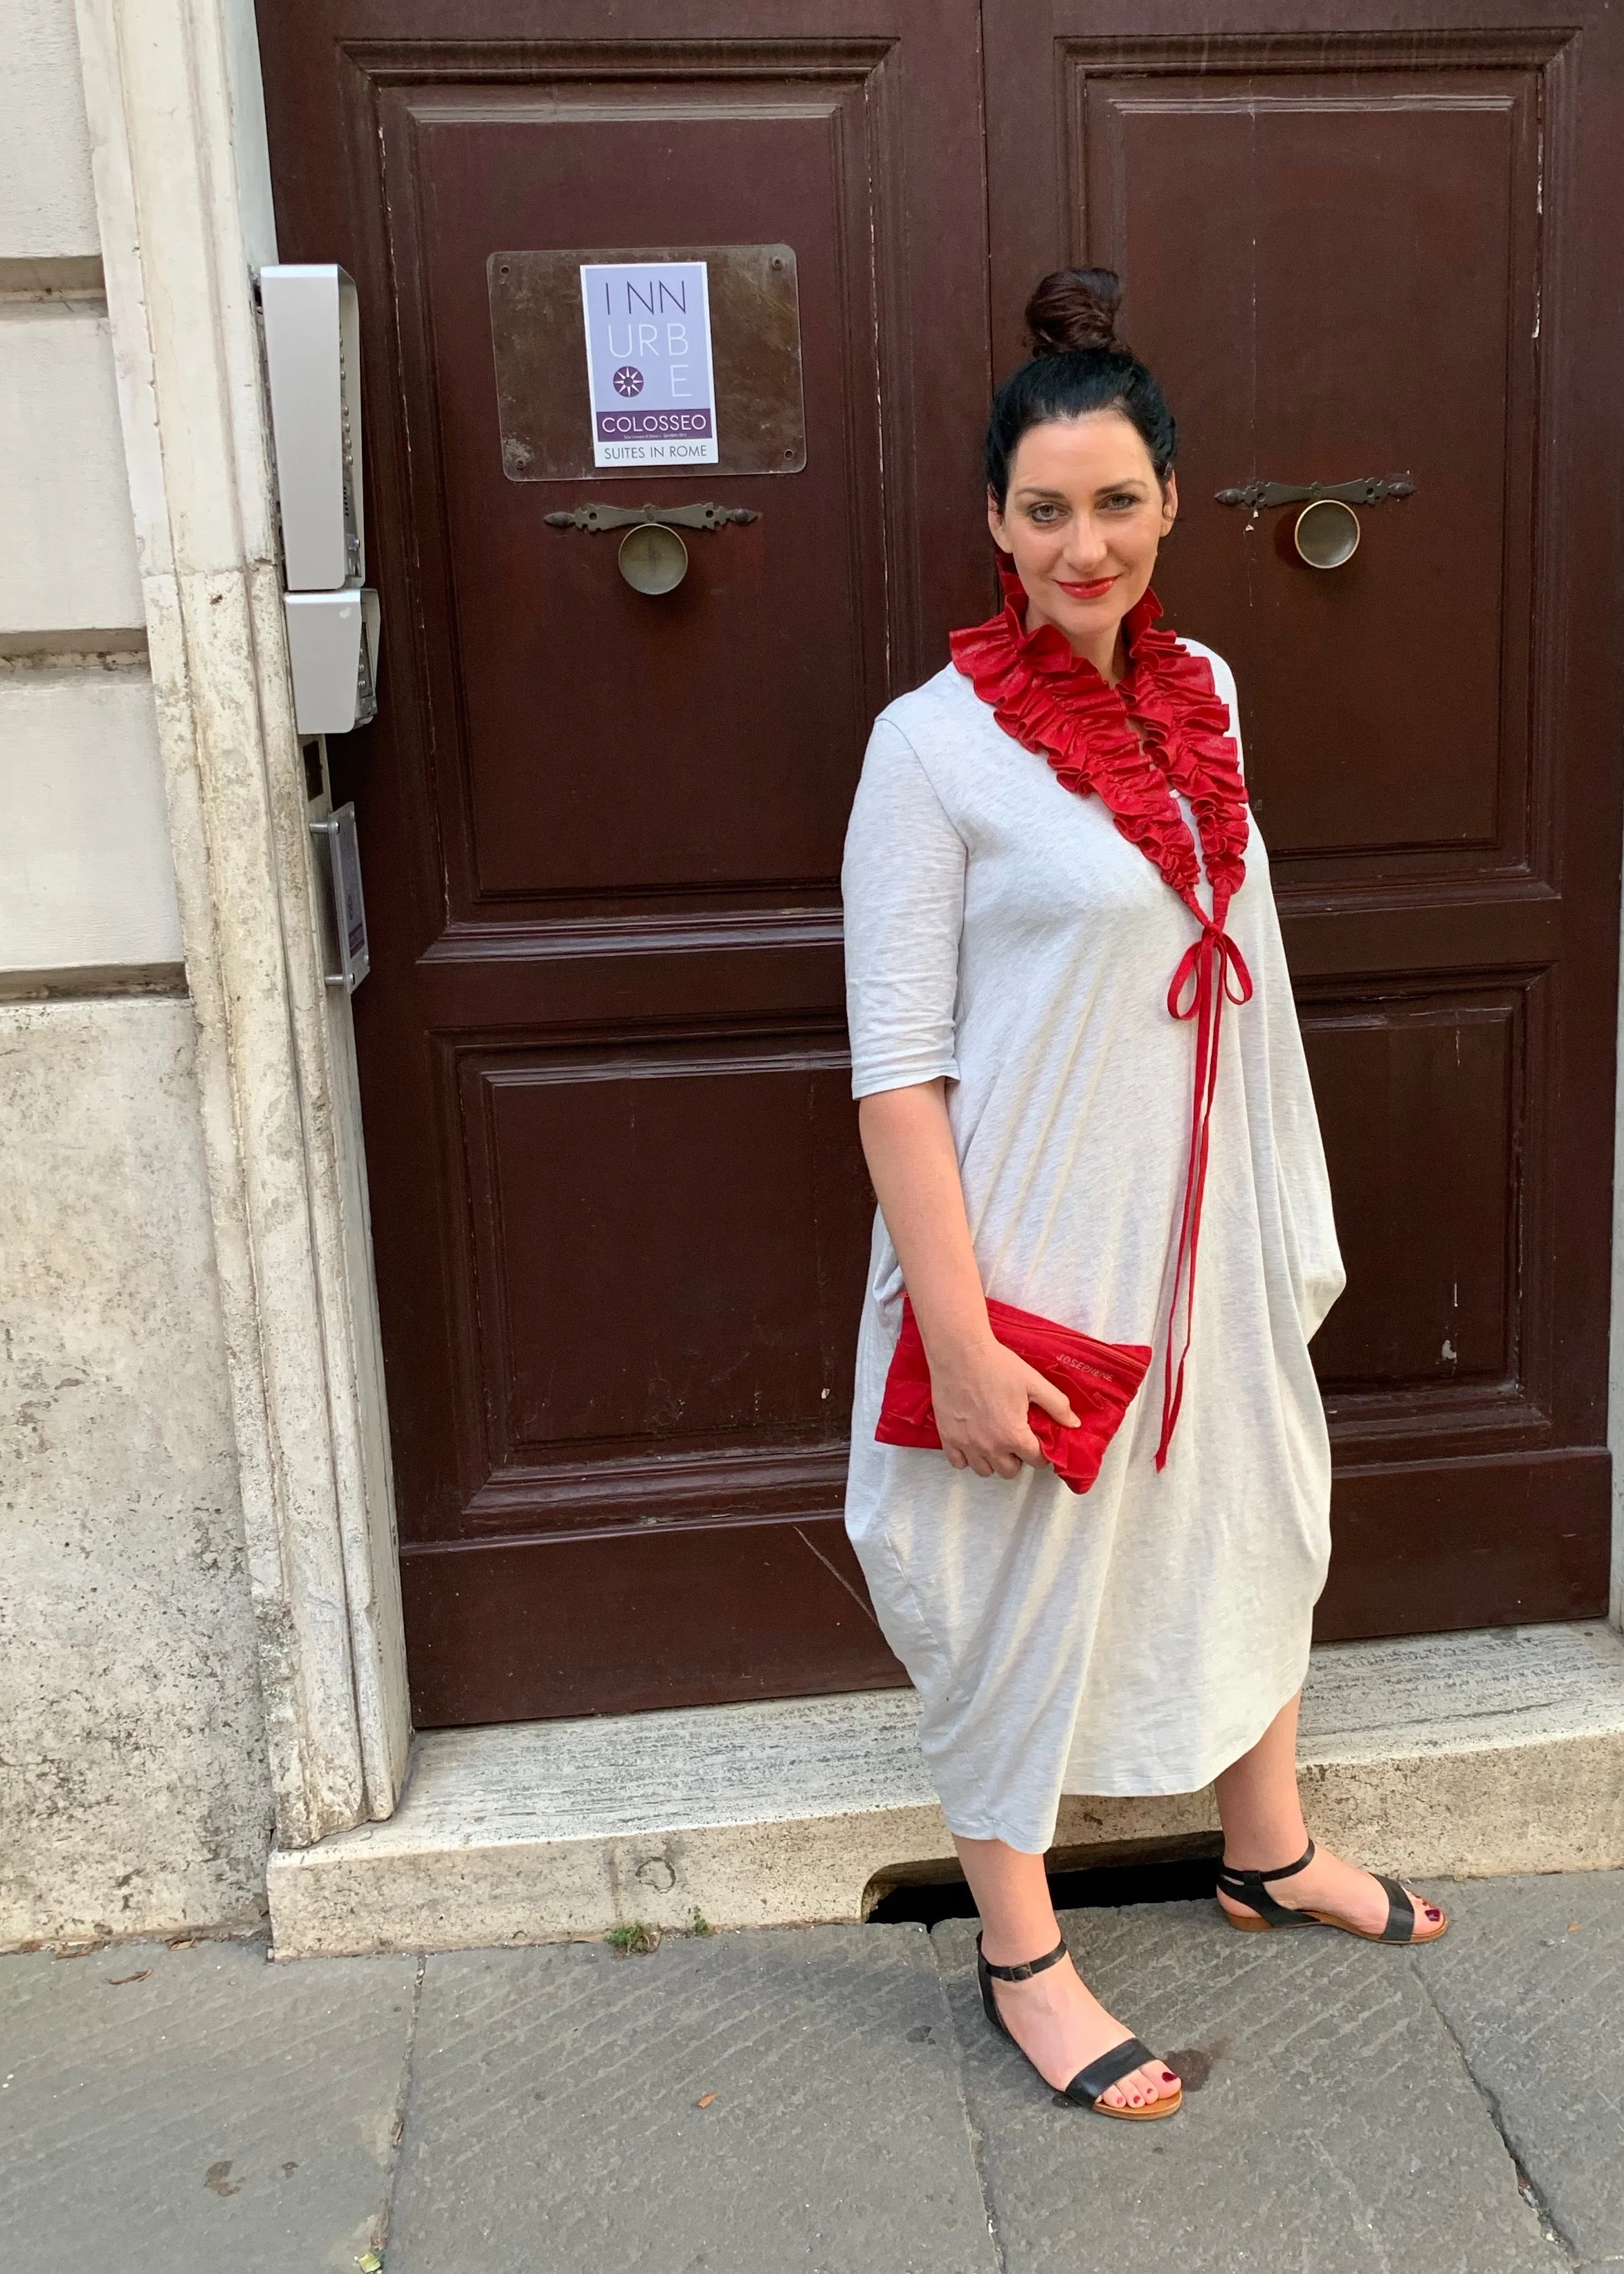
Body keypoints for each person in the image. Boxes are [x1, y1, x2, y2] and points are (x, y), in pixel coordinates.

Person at [840, 268, 1447, 2125]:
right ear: (993, 525)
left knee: (1252, 1515)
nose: (1082, 542)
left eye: (1116, 501)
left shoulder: (1215, 694)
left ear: (1173, 501)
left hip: (1205, 1219)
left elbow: (1232, 948)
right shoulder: (929, 749)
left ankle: (1262, 1845)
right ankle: (1022, 1953)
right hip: (1025, 1237)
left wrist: (1267, 1214)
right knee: (1011, 1587)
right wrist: (956, 1318)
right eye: (1045, 509)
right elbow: (896, 1063)